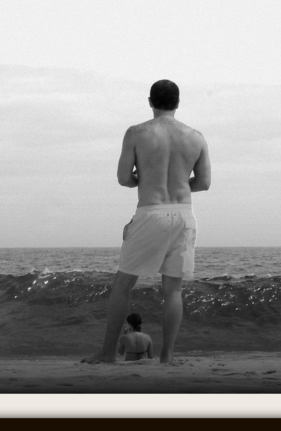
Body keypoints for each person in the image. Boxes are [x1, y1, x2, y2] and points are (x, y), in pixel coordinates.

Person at [82, 79, 211, 365]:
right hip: (184, 214)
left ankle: (106, 353)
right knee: (173, 289)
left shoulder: (137, 133)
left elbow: (124, 178)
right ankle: (166, 356)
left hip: (151, 211)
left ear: (150, 101)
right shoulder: (196, 137)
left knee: (123, 284)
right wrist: (178, 181)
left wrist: (148, 179)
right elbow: (203, 182)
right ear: (178, 103)